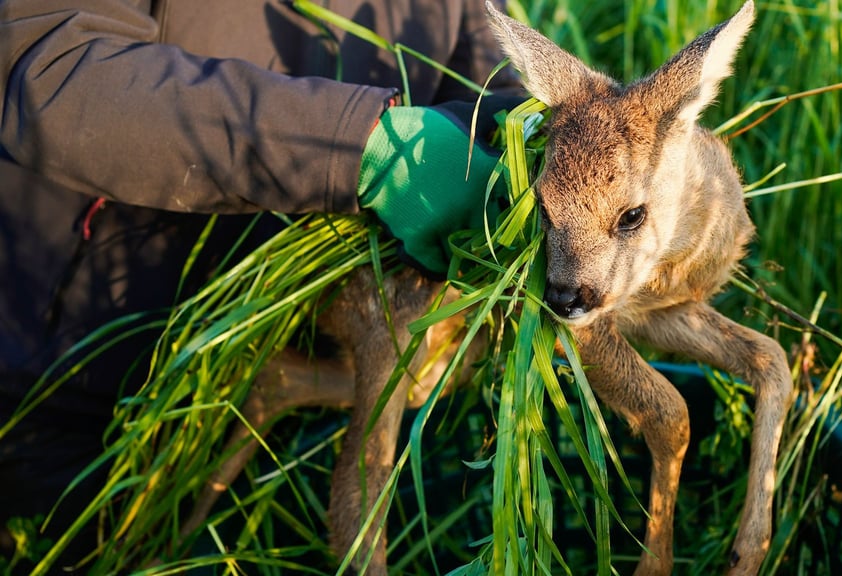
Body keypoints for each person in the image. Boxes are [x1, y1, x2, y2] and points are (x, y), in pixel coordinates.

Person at [0, 0, 521, 568]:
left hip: (264, 395)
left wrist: (532, 151)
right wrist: (359, 147)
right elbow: (49, 67)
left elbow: (485, 80)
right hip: (58, 367)